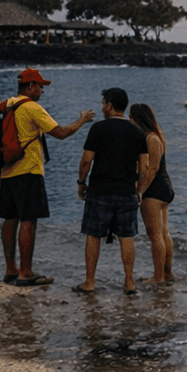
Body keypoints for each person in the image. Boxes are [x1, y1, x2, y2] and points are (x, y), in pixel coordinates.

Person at [0, 68, 94, 287]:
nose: (42, 90)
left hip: (6, 170)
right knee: (28, 219)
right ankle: (26, 272)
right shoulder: (32, 107)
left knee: (10, 218)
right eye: (40, 86)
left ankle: (10, 269)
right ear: (31, 87)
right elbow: (60, 133)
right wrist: (81, 121)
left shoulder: (4, 105)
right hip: (28, 169)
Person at [73, 87, 149, 294]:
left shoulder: (98, 129)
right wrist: (139, 189)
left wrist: (81, 182)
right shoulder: (137, 132)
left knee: (93, 235)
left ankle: (89, 282)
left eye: (103, 102)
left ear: (109, 105)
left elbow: (86, 160)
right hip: (126, 191)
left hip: (100, 191)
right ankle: (129, 282)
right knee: (127, 237)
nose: (102, 106)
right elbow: (144, 167)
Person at [129, 102, 175, 283]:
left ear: (137, 119)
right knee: (164, 233)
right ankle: (166, 273)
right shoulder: (158, 136)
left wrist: (141, 191)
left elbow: (151, 169)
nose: (129, 120)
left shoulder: (150, 139)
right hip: (164, 188)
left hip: (155, 191)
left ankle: (158, 278)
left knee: (155, 235)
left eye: (131, 117)